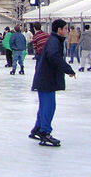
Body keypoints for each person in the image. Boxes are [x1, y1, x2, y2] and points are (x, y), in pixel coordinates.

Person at [29, 19, 75, 147]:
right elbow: (53, 56)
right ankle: (45, 132)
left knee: (45, 105)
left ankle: (38, 128)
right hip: (47, 78)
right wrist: (68, 69)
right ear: (59, 30)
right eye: (65, 28)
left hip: (45, 77)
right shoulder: (54, 41)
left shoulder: (55, 40)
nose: (67, 31)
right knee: (49, 105)